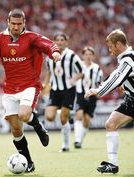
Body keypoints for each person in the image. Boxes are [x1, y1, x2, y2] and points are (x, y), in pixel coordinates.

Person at [0, 9, 60, 172]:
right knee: (15, 129)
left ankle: (38, 126)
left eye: (19, 24)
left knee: (24, 115)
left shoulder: (31, 37)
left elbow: (48, 44)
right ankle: (28, 162)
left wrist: (55, 52)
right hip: (10, 89)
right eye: (13, 23)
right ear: (8, 22)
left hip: (30, 85)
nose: (16, 27)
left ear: (24, 23)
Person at [85, 29, 134, 174]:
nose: (110, 50)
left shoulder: (129, 59)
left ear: (118, 44)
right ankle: (113, 164)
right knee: (111, 124)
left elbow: (116, 78)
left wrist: (98, 91)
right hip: (131, 100)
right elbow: (118, 77)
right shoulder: (126, 58)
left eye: (111, 46)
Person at [44, 33, 83, 152]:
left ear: (66, 42)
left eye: (62, 40)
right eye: (57, 40)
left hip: (68, 90)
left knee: (62, 118)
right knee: (49, 117)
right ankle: (63, 112)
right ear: (54, 41)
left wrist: (74, 79)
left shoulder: (72, 56)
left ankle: (65, 145)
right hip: (55, 90)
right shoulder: (49, 56)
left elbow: (81, 72)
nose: (60, 42)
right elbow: (49, 72)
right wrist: (45, 85)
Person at [74, 46, 103, 148]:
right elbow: (72, 79)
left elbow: (100, 82)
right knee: (79, 115)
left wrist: (100, 91)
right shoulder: (78, 66)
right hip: (80, 94)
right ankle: (77, 140)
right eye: (86, 54)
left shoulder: (97, 68)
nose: (88, 56)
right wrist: (77, 77)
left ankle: (80, 140)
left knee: (86, 120)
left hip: (92, 96)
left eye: (90, 54)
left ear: (93, 56)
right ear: (83, 55)